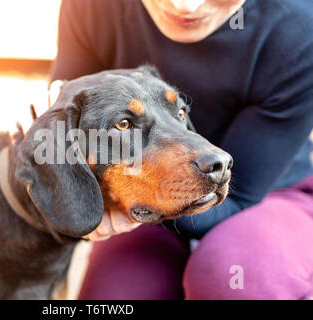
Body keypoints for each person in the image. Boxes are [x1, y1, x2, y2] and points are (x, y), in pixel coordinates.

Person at [49, 0, 313, 300]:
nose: (184, 7)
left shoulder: (300, 30)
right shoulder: (92, 6)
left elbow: (238, 196)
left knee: (233, 279)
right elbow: (67, 114)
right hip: (143, 195)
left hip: (269, 194)